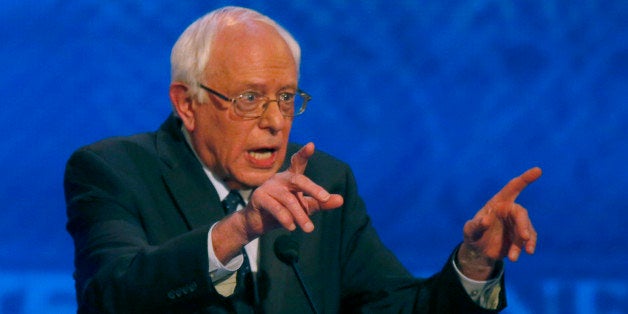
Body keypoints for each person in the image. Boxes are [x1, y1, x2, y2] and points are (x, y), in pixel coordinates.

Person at [64, 6, 541, 313]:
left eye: (287, 97)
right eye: (250, 98)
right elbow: (111, 295)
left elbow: (395, 307)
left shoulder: (324, 181)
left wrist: (474, 264)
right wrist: (243, 226)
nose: (275, 121)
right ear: (188, 103)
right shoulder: (114, 170)